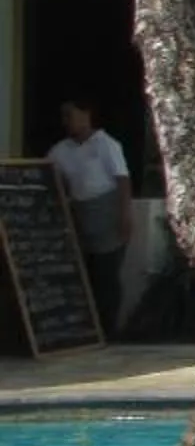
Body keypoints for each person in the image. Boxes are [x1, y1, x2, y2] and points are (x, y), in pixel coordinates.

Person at [46, 98, 133, 337]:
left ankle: (109, 328)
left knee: (107, 274)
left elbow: (122, 180)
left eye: (71, 115)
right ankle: (87, 329)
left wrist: (124, 215)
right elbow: (50, 176)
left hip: (107, 210)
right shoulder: (60, 151)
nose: (68, 122)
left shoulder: (106, 145)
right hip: (80, 214)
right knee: (86, 275)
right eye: (64, 116)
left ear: (86, 114)